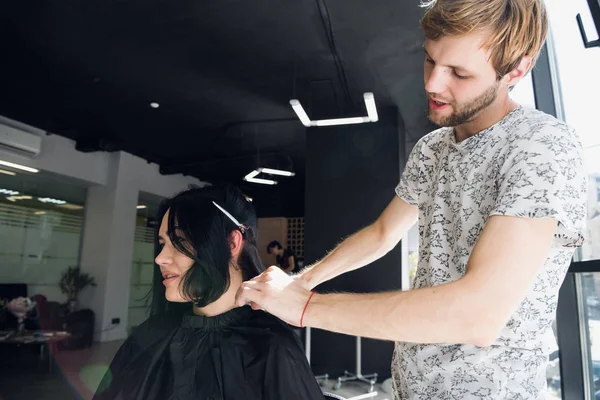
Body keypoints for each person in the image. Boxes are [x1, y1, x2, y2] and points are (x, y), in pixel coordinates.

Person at [236, 0, 587, 399]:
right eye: (430, 60)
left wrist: (304, 308)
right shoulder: (432, 148)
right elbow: (383, 233)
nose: (432, 84)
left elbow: (478, 313)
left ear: (517, 70)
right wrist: (302, 281)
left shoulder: (541, 147)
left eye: (458, 72)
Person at [93, 185, 323, 400]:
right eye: (163, 243)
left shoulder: (271, 350)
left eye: (179, 241)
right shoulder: (149, 336)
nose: (160, 258)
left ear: (232, 243)